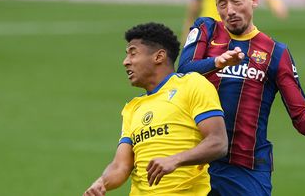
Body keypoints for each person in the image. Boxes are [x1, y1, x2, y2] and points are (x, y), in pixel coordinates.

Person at [178, 0, 305, 196]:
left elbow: (303, 123)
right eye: (222, 4)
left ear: (254, 0)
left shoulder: (276, 53)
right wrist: (217, 62)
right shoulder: (206, 29)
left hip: (246, 169)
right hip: (196, 163)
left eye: (236, 1)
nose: (230, 11)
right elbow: (183, 70)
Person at [83, 22, 228, 196]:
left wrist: (175, 160)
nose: (125, 62)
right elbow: (121, 166)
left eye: (133, 53)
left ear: (159, 56)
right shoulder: (132, 108)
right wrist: (102, 182)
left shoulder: (192, 84)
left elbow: (218, 142)